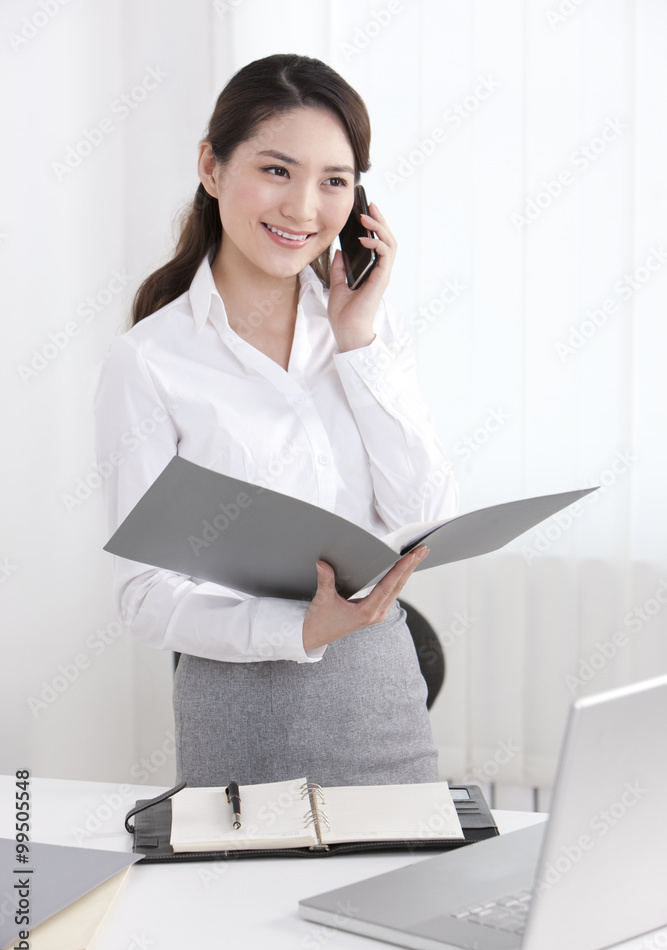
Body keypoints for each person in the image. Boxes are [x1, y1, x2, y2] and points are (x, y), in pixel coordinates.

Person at [95, 53, 458, 789]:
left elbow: (423, 518)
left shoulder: (367, 336)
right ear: (210, 166)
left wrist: (359, 344)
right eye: (276, 170)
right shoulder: (149, 362)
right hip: (239, 708)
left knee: (391, 898)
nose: (302, 210)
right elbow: (142, 596)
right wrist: (296, 630)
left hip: (379, 691)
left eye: (334, 181)